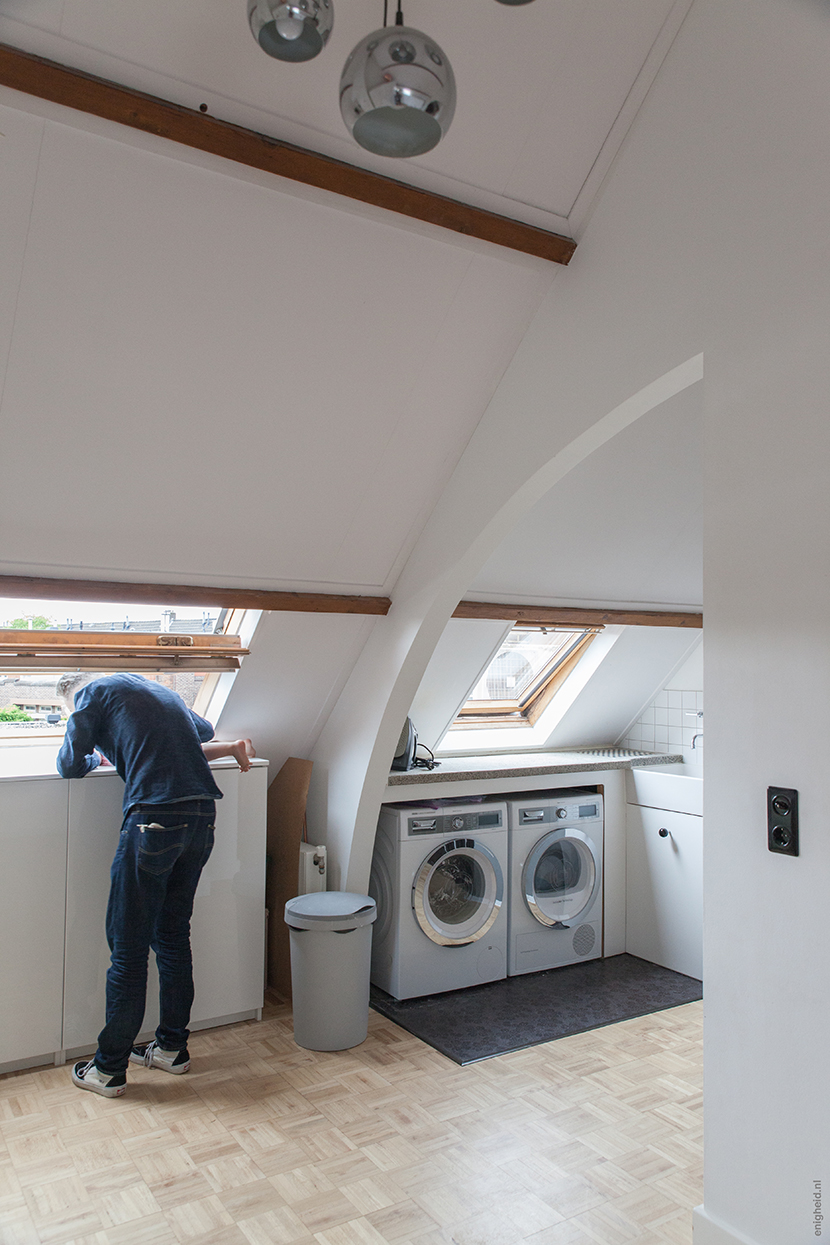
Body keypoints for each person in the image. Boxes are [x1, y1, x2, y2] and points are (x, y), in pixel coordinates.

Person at [56, 671, 254, 1098]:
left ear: (71, 698)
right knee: (172, 937)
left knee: (128, 948)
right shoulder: (154, 688)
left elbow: (70, 762)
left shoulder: (88, 695)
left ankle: (107, 1069)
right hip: (201, 814)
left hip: (153, 817)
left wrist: (95, 755)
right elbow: (202, 730)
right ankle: (171, 1049)